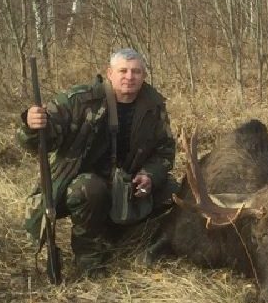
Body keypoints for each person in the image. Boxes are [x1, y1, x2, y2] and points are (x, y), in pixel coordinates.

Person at [17, 48, 177, 275]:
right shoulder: (79, 101)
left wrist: (149, 175)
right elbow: (38, 143)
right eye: (123, 71)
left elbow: (165, 150)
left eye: (136, 72)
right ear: (109, 73)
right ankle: (88, 257)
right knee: (88, 189)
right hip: (79, 184)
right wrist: (31, 125)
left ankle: (117, 234)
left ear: (144, 75)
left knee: (174, 193)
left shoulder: (153, 105)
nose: (129, 77)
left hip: (126, 182)